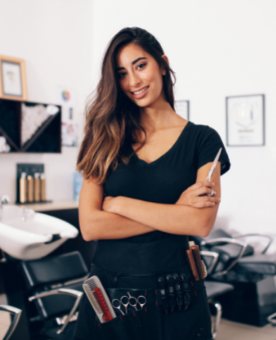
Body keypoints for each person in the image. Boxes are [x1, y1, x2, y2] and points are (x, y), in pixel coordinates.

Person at [74, 27, 230, 340]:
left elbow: (200, 222)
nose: (133, 82)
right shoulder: (104, 137)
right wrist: (174, 212)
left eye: (140, 65)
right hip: (110, 292)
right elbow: (90, 225)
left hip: (178, 293)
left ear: (162, 63)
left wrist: (120, 204)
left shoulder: (203, 140)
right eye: (121, 73)